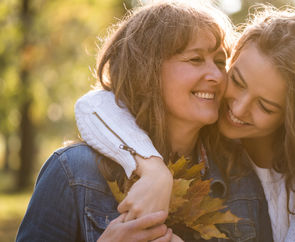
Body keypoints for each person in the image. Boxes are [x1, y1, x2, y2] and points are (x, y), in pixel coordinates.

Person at [75, 6, 295, 242]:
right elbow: (95, 105)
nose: (237, 109)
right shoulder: (206, 131)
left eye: (265, 106)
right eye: (236, 81)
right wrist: (154, 170)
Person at [16, 1, 273, 241]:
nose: (217, 75)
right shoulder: (73, 172)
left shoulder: (239, 177)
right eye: (196, 59)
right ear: (145, 71)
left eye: (220, 61)